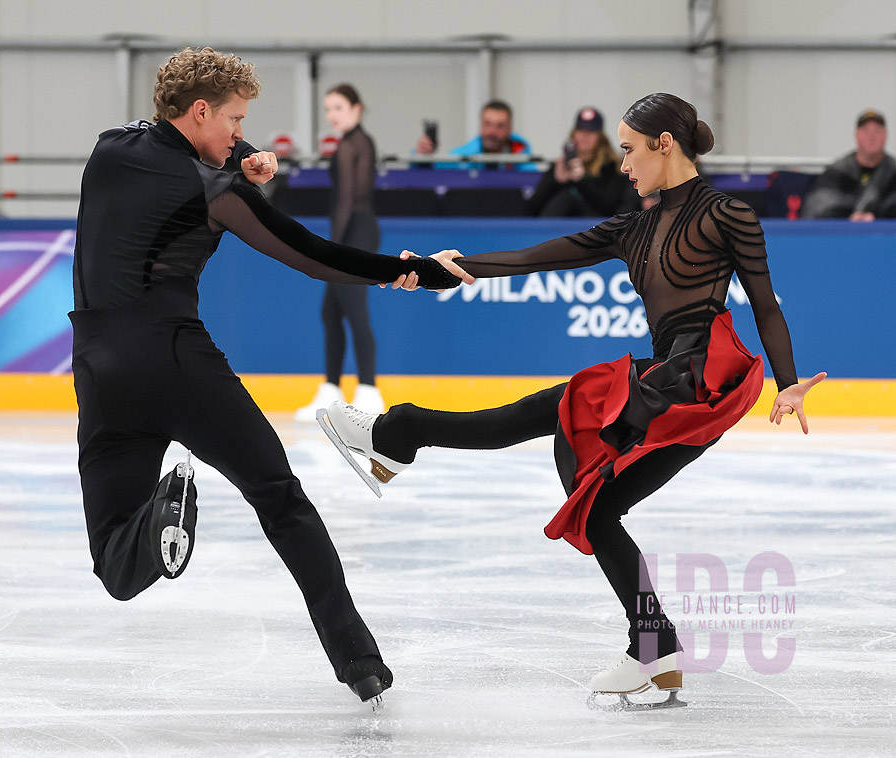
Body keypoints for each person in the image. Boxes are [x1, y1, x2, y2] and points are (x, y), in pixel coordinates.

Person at [320, 92, 825, 708]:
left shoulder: (727, 215)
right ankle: (655, 643)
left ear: (664, 144)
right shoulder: (633, 225)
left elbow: (766, 306)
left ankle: (397, 435)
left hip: (691, 384)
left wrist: (788, 380)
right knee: (595, 501)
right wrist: (445, 268)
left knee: (553, 419)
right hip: (664, 382)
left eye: (630, 149)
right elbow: (539, 256)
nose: (623, 164)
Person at [70, 47, 461, 705]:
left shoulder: (109, 149)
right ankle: (359, 661)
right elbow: (309, 254)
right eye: (235, 119)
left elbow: (174, 144)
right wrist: (411, 272)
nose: (241, 133)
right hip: (173, 359)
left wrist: (238, 152)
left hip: (97, 368)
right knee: (279, 497)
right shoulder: (216, 192)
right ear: (201, 112)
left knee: (116, 564)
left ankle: (161, 514)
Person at [295, 84, 385, 421]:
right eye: (329, 109)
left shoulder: (351, 144)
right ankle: (331, 389)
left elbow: (347, 200)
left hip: (354, 233)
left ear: (357, 108)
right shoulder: (358, 142)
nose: (333, 115)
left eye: (338, 108)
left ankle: (369, 391)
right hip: (356, 232)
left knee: (354, 311)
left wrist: (330, 249)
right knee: (331, 313)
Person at [527, 107, 636, 217]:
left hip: (594, 228)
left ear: (600, 136)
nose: (585, 136)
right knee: (564, 198)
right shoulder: (561, 166)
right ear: (574, 134)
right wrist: (555, 181)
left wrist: (582, 180)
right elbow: (532, 208)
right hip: (557, 228)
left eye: (591, 131)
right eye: (581, 130)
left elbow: (611, 207)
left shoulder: (612, 167)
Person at [803, 109, 896, 220]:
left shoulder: (892, 171)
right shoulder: (838, 170)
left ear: (885, 135)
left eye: (877, 130)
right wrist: (849, 216)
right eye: (866, 130)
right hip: (841, 233)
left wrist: (876, 216)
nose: (872, 136)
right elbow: (820, 204)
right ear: (857, 135)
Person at [414, 100, 535, 170]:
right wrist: (422, 157)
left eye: (500, 126)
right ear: (480, 125)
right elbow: (427, 174)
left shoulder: (523, 158)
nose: (492, 131)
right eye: (487, 124)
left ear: (509, 128)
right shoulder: (462, 158)